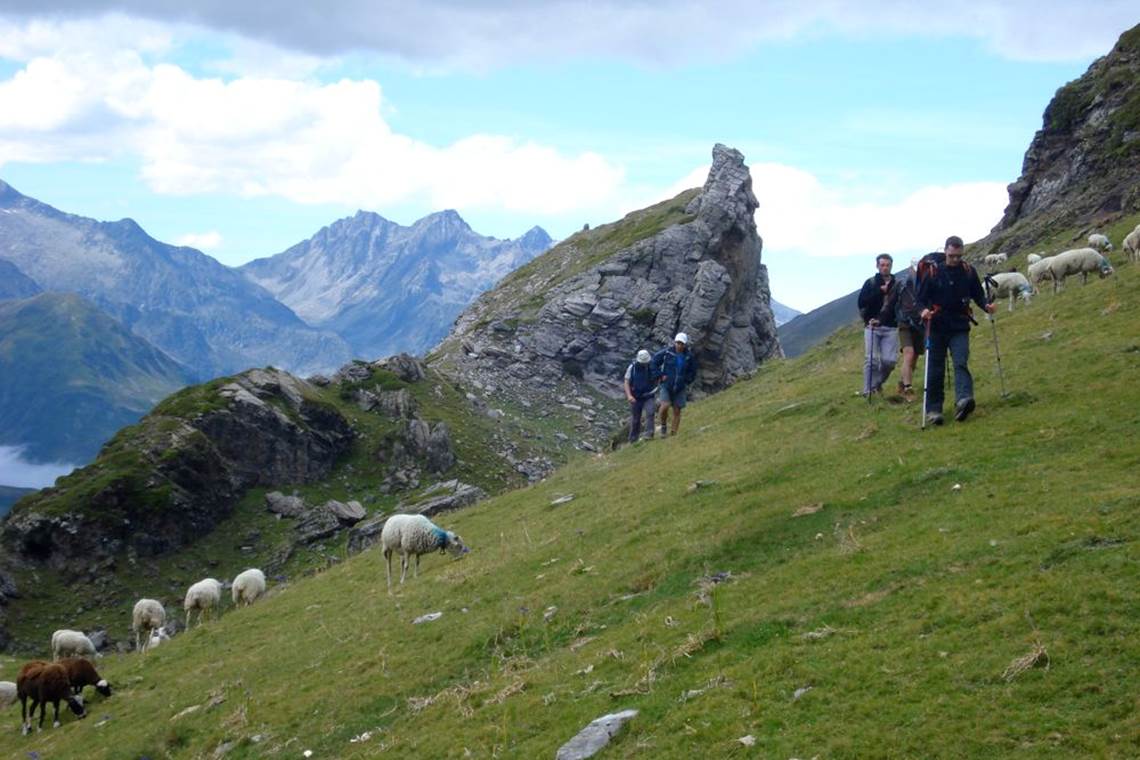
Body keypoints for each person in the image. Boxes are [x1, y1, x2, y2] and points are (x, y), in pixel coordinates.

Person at [916, 235, 997, 426]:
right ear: (945, 251)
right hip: (936, 326)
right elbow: (919, 299)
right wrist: (923, 310)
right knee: (935, 369)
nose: (955, 260)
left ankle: (964, 400)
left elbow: (978, 295)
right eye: (952, 255)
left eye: (958, 256)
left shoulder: (968, 271)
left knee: (961, 361)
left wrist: (987, 306)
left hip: (959, 324)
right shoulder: (933, 272)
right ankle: (934, 410)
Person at [856, 253, 899, 396]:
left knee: (890, 361)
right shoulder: (871, 283)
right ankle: (868, 390)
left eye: (887, 265)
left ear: (891, 266)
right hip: (871, 326)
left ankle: (876, 383)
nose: (885, 268)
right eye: (882, 265)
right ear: (877, 266)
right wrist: (878, 292)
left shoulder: (897, 284)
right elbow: (861, 303)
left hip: (891, 326)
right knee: (871, 360)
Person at [652, 332, 698, 437]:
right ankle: (663, 426)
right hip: (666, 385)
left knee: (677, 410)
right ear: (675, 342)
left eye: (682, 343)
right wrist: (659, 375)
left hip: (680, 387)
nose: (679, 345)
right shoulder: (667, 353)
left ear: (685, 344)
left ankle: (673, 433)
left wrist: (687, 380)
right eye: (678, 343)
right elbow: (654, 362)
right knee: (665, 405)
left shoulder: (689, 357)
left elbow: (693, 371)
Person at [893, 257, 925, 402]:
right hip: (905, 323)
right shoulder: (902, 284)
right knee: (909, 353)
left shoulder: (925, 283)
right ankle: (908, 388)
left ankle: (902, 382)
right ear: (910, 269)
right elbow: (892, 302)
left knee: (915, 357)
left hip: (919, 323)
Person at [624, 349, 658, 443]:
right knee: (635, 419)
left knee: (650, 413)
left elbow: (657, 376)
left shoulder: (651, 366)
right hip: (635, 397)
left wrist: (656, 386)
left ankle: (649, 435)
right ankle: (633, 439)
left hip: (648, 395)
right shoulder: (632, 368)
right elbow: (626, 382)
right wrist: (629, 396)